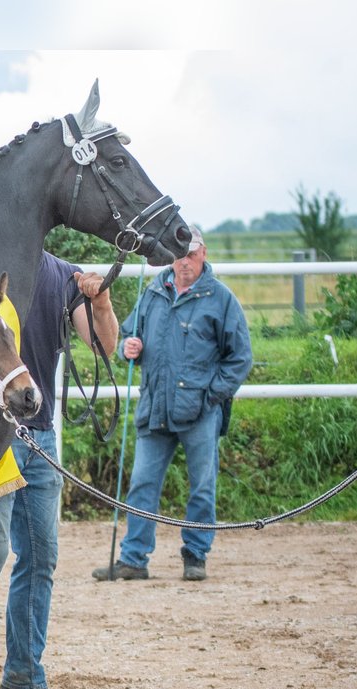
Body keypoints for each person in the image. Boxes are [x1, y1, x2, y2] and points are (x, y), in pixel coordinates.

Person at [0, 251, 117, 689]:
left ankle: (23, 680)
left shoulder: (61, 276)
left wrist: (100, 302)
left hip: (38, 431)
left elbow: (104, 347)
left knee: (40, 556)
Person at [91, 225, 252, 583]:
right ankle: (133, 559)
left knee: (202, 487)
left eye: (192, 254)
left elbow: (240, 358)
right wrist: (131, 346)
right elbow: (130, 334)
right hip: (155, 406)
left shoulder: (221, 298)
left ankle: (195, 556)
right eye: (180, 255)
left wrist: (210, 396)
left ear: (204, 254)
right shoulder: (152, 291)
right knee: (142, 484)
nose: (185, 262)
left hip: (200, 412)